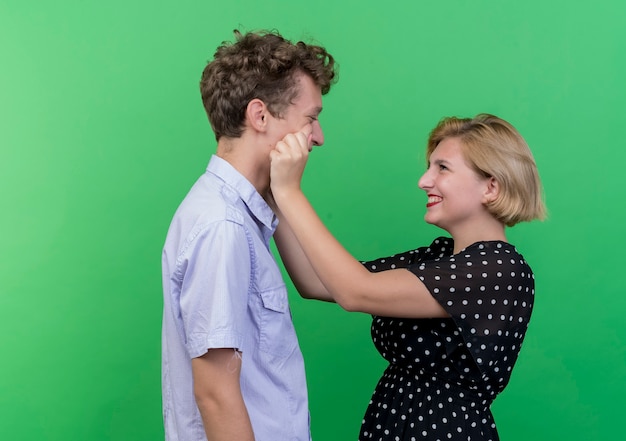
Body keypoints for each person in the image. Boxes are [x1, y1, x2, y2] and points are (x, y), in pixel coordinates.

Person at [269, 113, 546, 440]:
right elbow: (316, 280)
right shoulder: (438, 258)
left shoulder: (500, 270)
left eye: (442, 168)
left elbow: (355, 292)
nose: (424, 180)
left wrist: (290, 191)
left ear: (491, 186)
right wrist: (273, 196)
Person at [161, 29, 337, 441]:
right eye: (311, 118)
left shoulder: (242, 213)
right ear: (260, 116)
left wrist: (282, 192)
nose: (319, 136)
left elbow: (319, 283)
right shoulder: (223, 225)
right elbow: (216, 394)